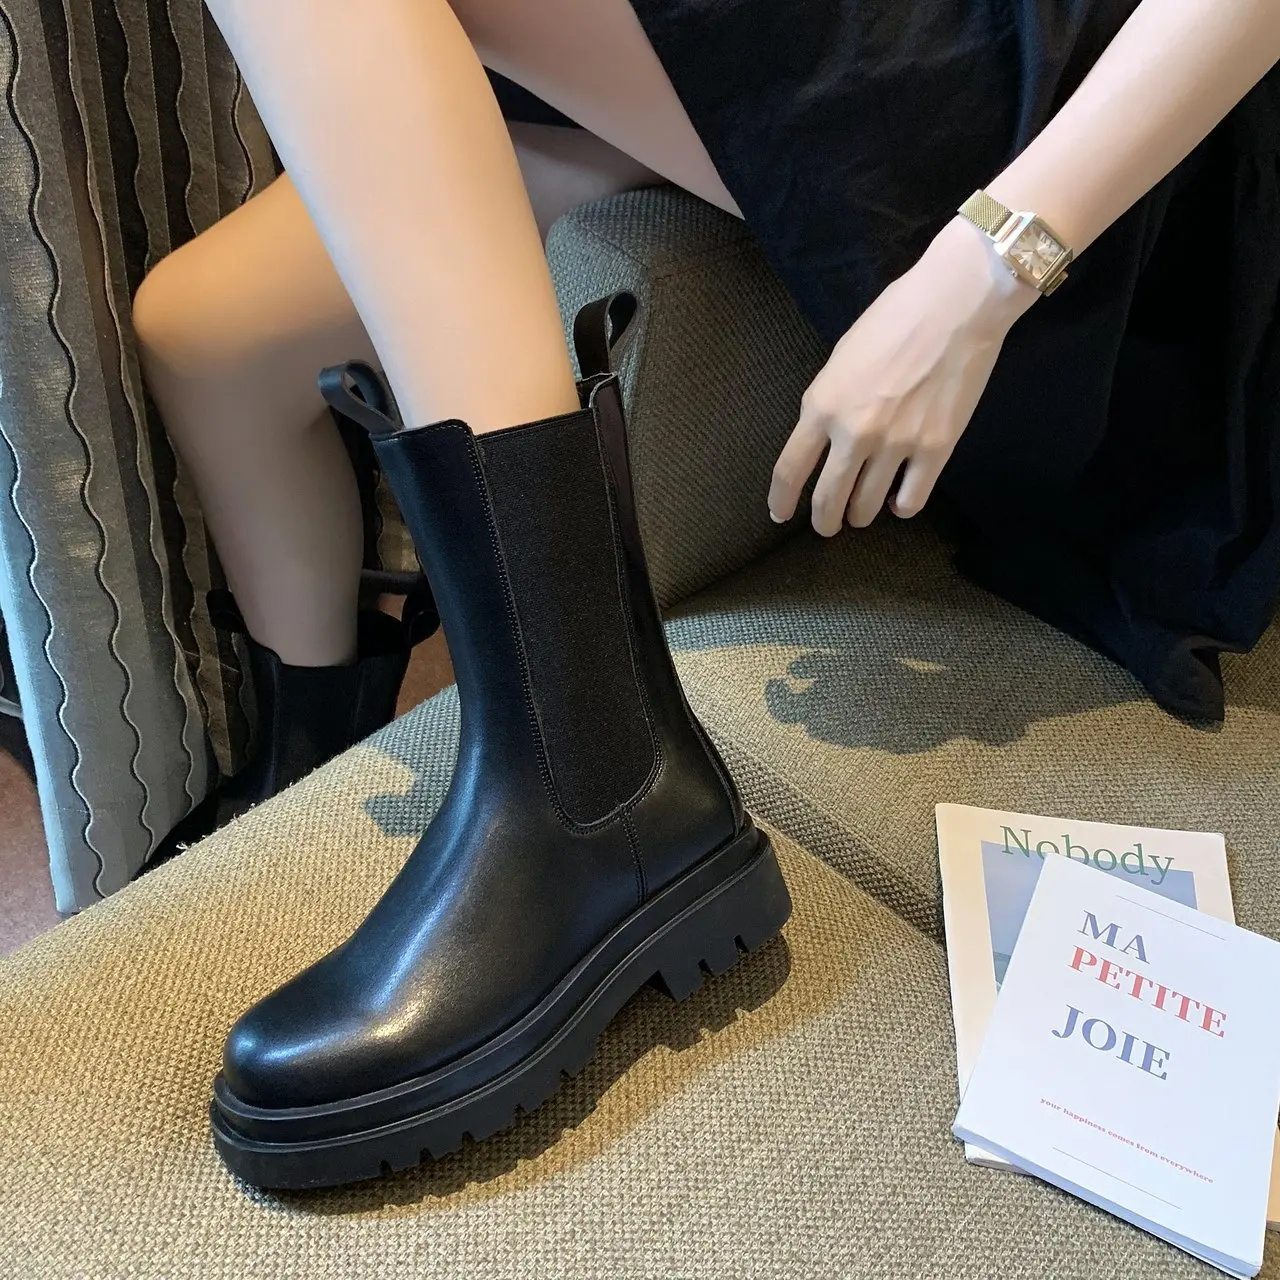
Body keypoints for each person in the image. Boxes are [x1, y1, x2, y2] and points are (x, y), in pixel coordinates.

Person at [136, 0, 1279, 1187]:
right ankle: (304, 768)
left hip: (1072, 111)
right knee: (202, 334)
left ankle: (586, 775)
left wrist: (984, 266)